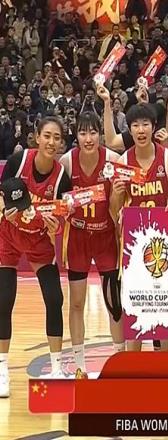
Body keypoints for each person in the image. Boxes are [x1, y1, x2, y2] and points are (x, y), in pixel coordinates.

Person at [0, 117, 72, 396]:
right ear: (37, 137)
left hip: (39, 241)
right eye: (47, 136)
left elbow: (61, 216)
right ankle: (2, 371)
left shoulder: (62, 176)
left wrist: (56, 226)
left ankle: (56, 368)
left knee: (55, 299)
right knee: (4, 300)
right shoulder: (18, 161)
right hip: (8, 237)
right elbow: (2, 195)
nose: (52, 142)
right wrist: (4, 210)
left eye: (57, 138)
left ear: (61, 143)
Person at [108, 99, 168, 352]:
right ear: (129, 129)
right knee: (136, 313)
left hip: (164, 247)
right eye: (135, 125)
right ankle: (134, 369)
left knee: (165, 311)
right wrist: (117, 193)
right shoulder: (122, 162)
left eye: (145, 124)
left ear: (153, 127)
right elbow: (113, 212)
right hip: (134, 247)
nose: (140, 130)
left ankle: (165, 367)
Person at [59, 112, 124, 377]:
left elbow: (123, 201)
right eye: (83, 132)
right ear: (76, 135)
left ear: (100, 135)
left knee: (114, 303)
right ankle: (79, 365)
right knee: (77, 303)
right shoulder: (66, 162)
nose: (88, 138)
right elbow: (58, 203)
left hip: (106, 237)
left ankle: (120, 362)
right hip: (78, 238)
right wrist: (64, 206)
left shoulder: (114, 160)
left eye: (93, 132)